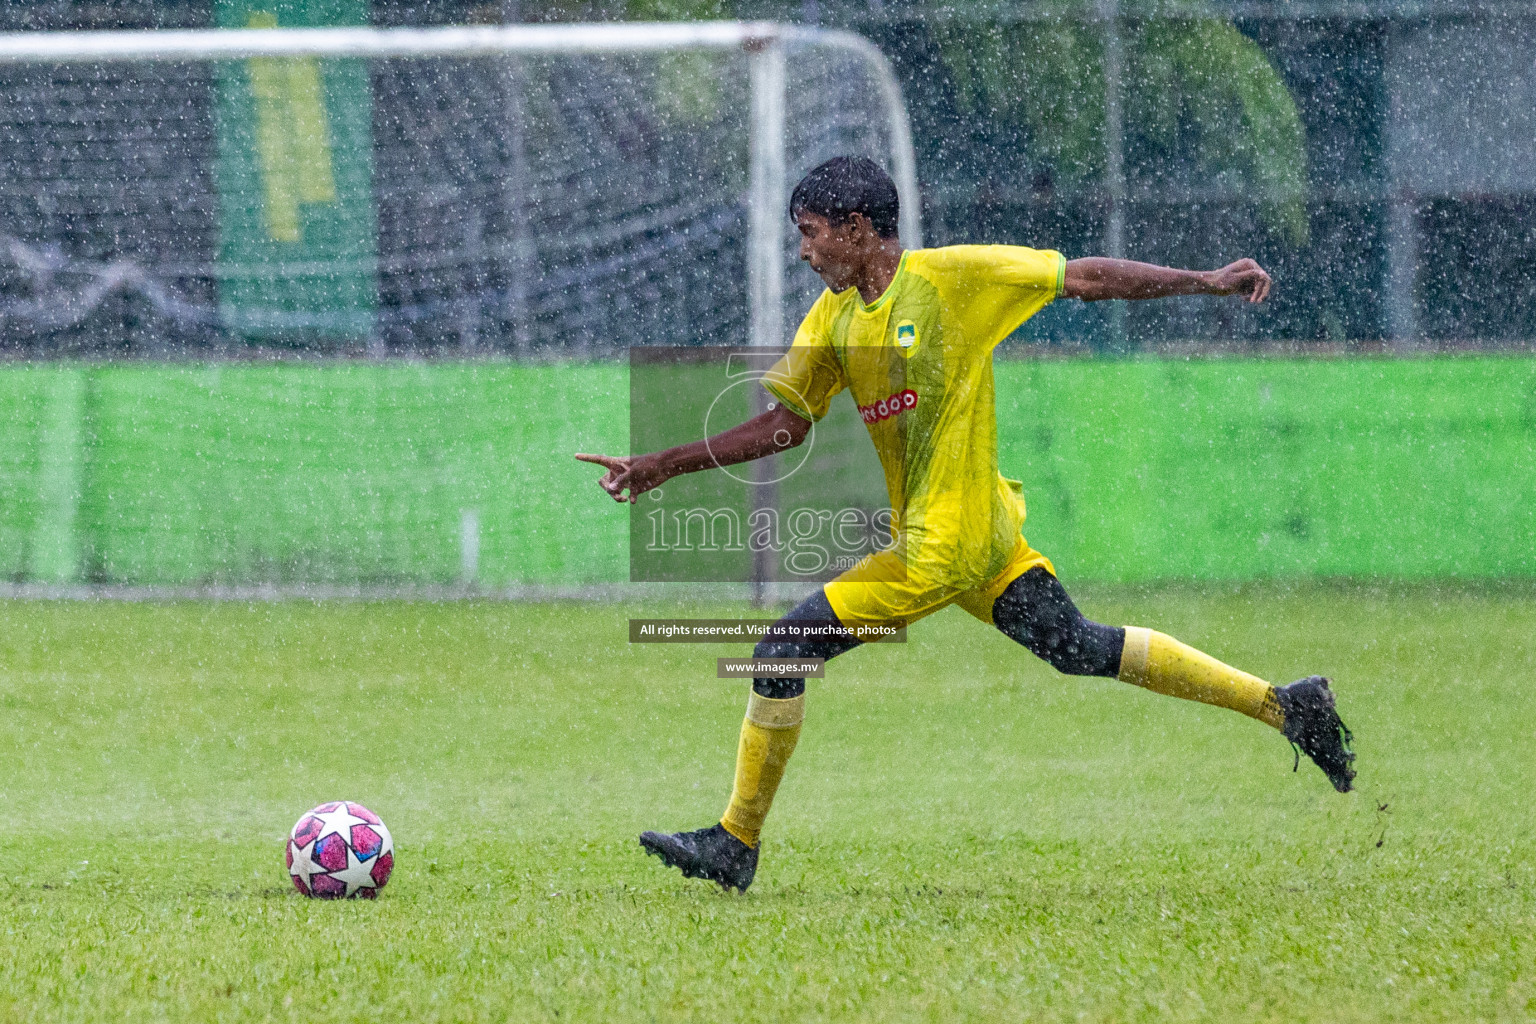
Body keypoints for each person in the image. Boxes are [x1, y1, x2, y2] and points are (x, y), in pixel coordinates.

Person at [576, 156, 1354, 893]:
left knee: (781, 650)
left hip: (940, 546)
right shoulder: (835, 317)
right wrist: (664, 464)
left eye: (810, 232)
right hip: (980, 535)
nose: (804, 252)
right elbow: (787, 425)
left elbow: (1081, 276)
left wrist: (1205, 281)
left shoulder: (953, 280)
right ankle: (1287, 706)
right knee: (1080, 647)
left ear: (855, 228)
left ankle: (735, 841)